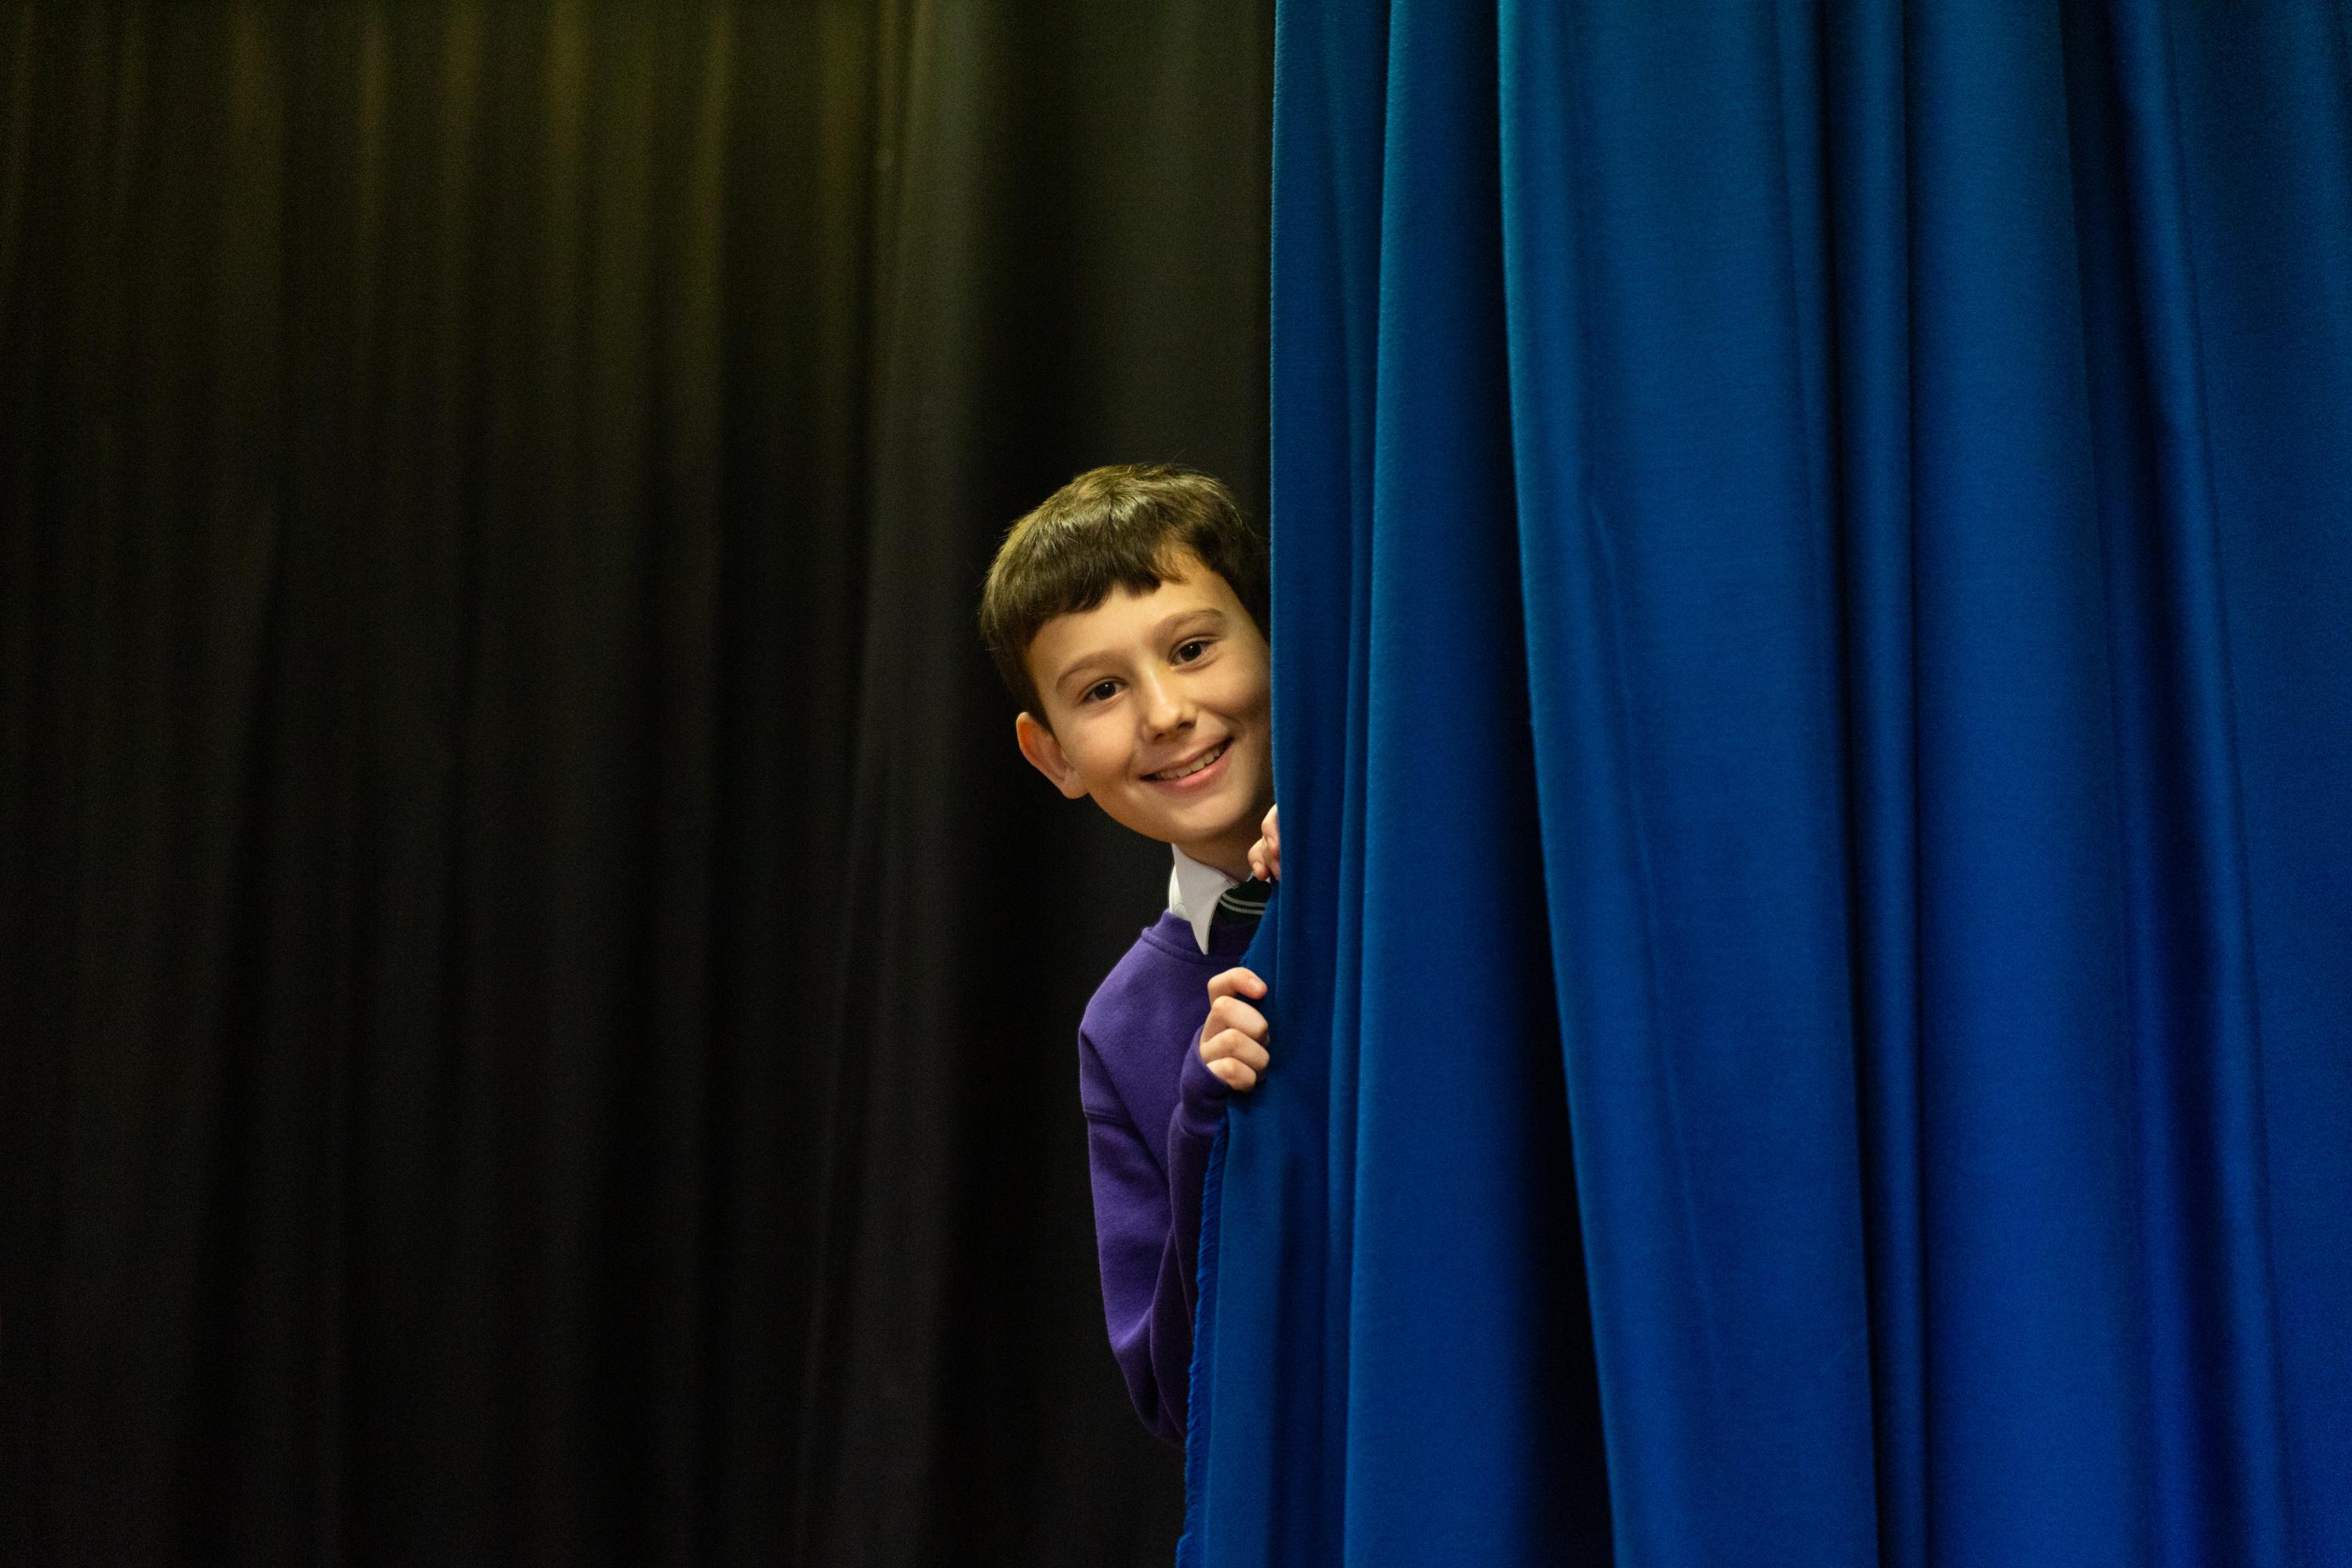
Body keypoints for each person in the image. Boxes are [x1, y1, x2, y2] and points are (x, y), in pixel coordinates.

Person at [978, 463, 1283, 1444]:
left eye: (1193, 648)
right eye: (1102, 690)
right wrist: (1203, 1113)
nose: (1163, 712)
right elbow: (1172, 1393)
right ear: (1053, 753)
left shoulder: (1422, 869)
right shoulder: (1122, 1027)